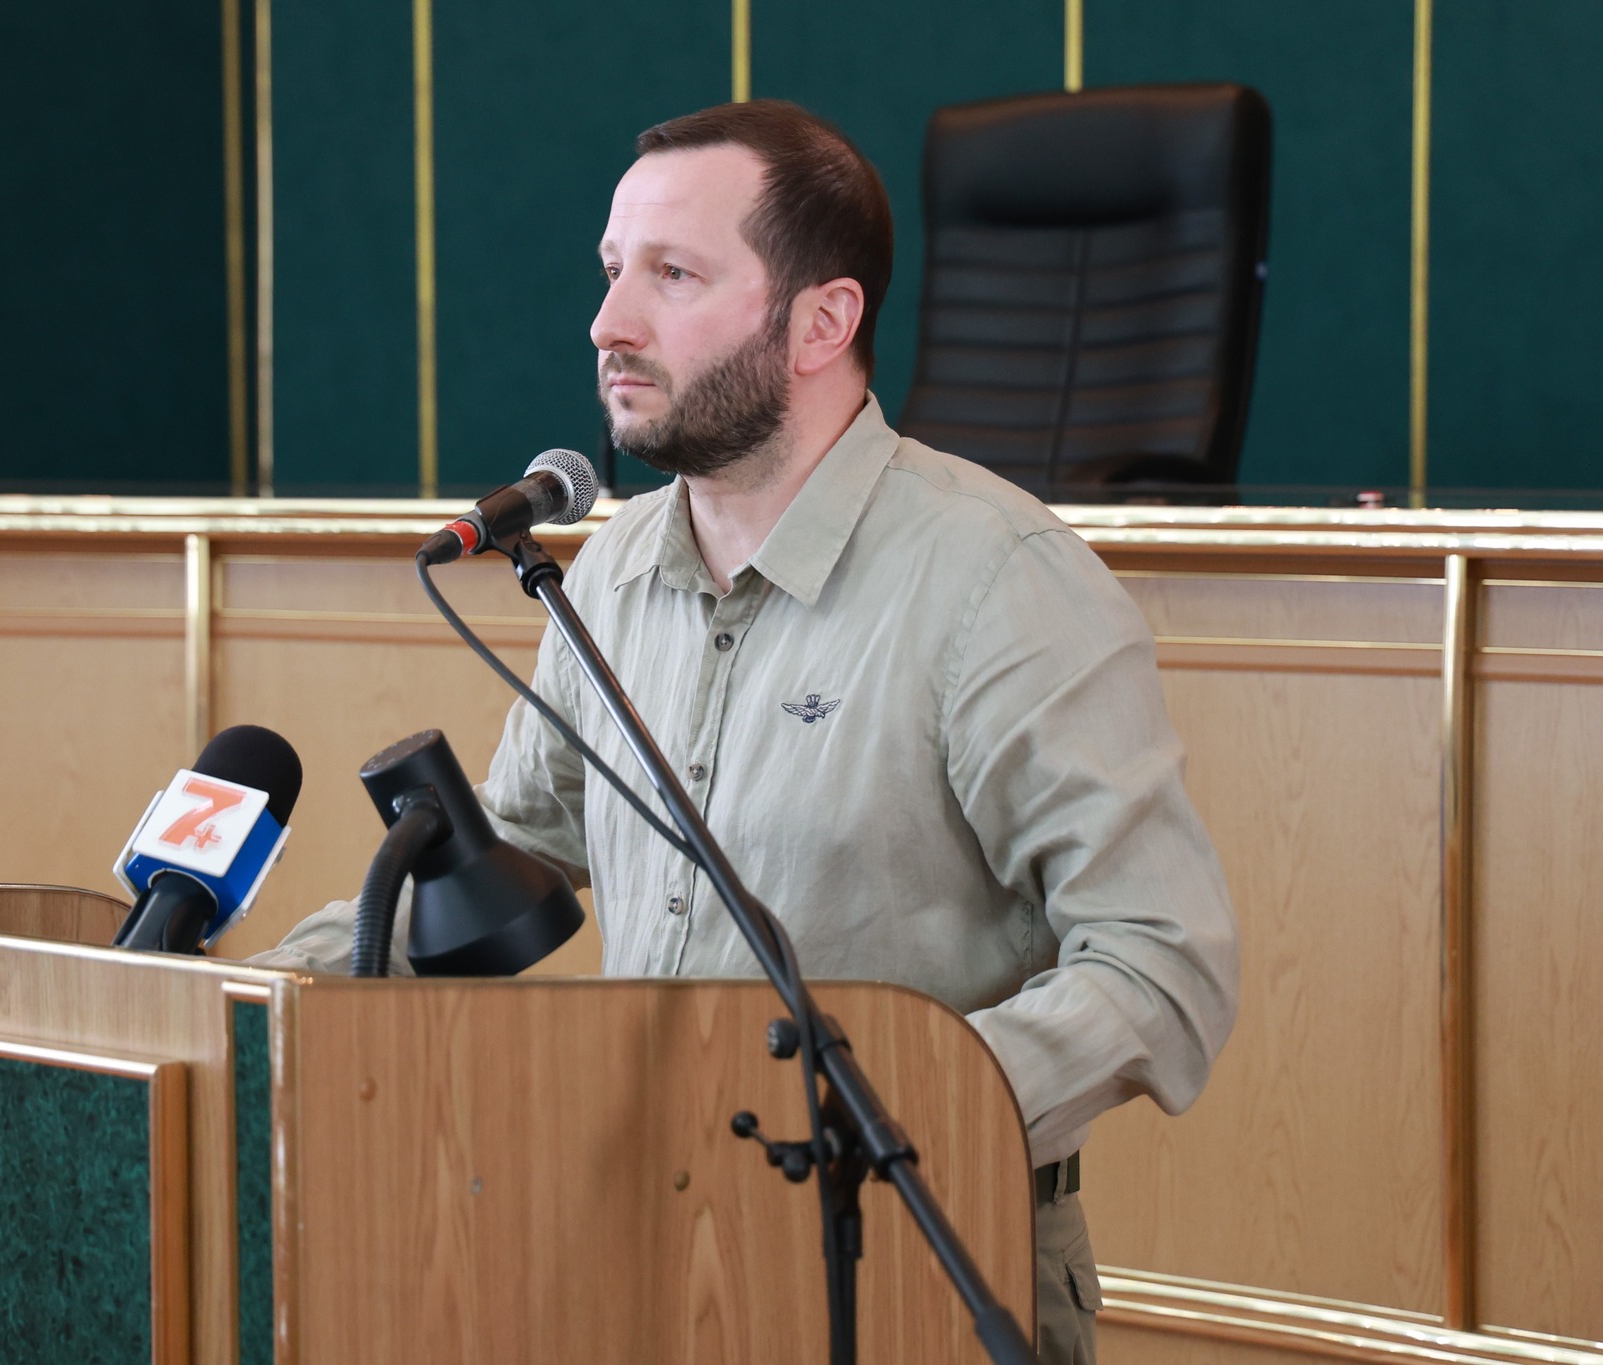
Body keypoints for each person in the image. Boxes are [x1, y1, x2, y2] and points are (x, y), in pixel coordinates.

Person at [251, 99, 1239, 1365]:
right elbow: (519, 850)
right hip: (653, 1248)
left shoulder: (998, 583)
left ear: (822, 322)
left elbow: (1162, 963)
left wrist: (891, 1107)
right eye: (612, 270)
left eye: (672, 275)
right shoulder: (606, 576)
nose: (608, 323)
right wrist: (253, 994)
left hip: (918, 1250)